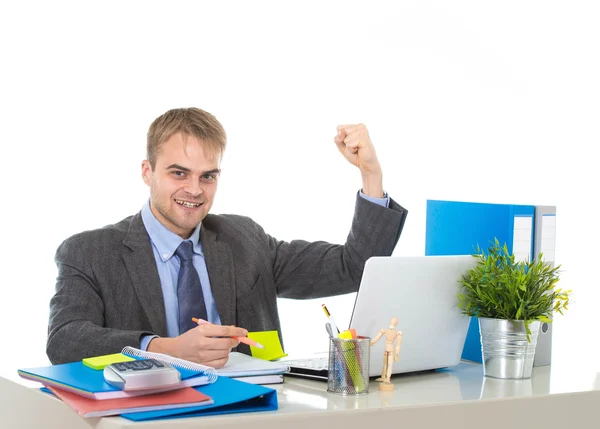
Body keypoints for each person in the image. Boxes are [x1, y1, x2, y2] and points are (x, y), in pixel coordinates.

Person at [47, 107, 408, 368]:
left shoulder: (243, 238)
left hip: (250, 413)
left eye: (208, 176)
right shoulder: (90, 251)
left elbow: (355, 267)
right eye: (178, 173)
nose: (194, 189)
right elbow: (65, 339)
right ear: (147, 172)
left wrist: (370, 174)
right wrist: (163, 348)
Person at [370, 317, 403, 387]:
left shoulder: (397, 333)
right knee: (385, 363)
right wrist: (369, 344)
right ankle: (384, 377)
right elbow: (375, 339)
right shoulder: (390, 331)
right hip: (388, 348)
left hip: (390, 349)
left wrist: (397, 354)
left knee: (389, 364)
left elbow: (398, 345)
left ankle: (387, 378)